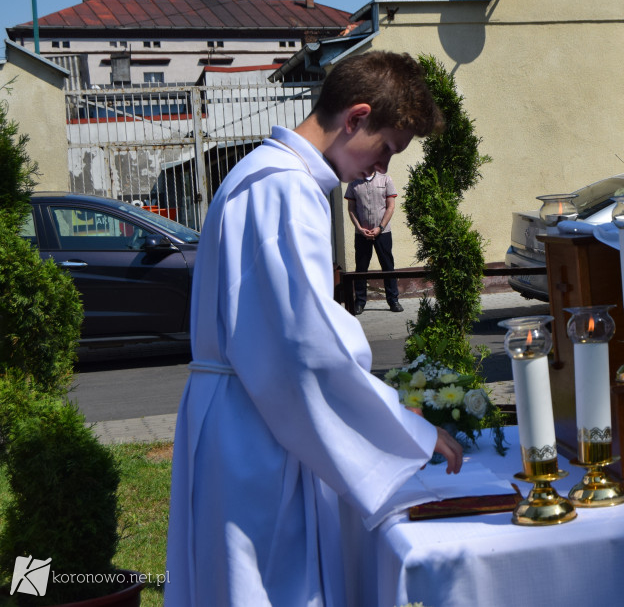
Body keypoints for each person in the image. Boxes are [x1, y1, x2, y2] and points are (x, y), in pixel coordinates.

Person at [165, 51, 461, 607]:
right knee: (270, 587)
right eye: (386, 150)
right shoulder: (284, 188)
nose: (381, 172)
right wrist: (405, 430)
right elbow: (305, 349)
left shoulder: (262, 174)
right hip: (255, 430)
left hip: (243, 412)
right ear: (356, 117)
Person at [345, 171, 403, 314]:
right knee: (361, 268)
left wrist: (380, 227)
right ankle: (359, 302)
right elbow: (351, 208)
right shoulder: (353, 182)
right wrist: (359, 228)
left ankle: (393, 300)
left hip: (382, 232)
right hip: (362, 233)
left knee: (388, 266)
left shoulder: (385, 180)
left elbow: (390, 206)